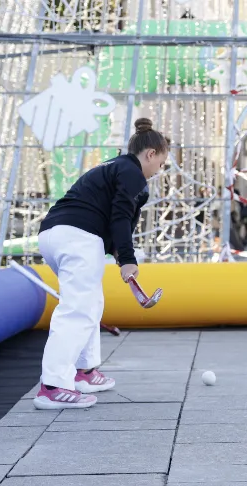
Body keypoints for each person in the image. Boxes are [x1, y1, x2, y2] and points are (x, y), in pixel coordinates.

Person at [32, 117, 169, 410]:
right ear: (150, 154)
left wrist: (118, 253)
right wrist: (128, 259)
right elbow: (120, 216)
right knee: (77, 309)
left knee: (90, 302)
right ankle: (53, 386)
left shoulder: (112, 165)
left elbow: (109, 215)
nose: (159, 170)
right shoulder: (133, 173)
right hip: (78, 238)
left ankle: (84, 371)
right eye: (160, 163)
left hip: (54, 234)